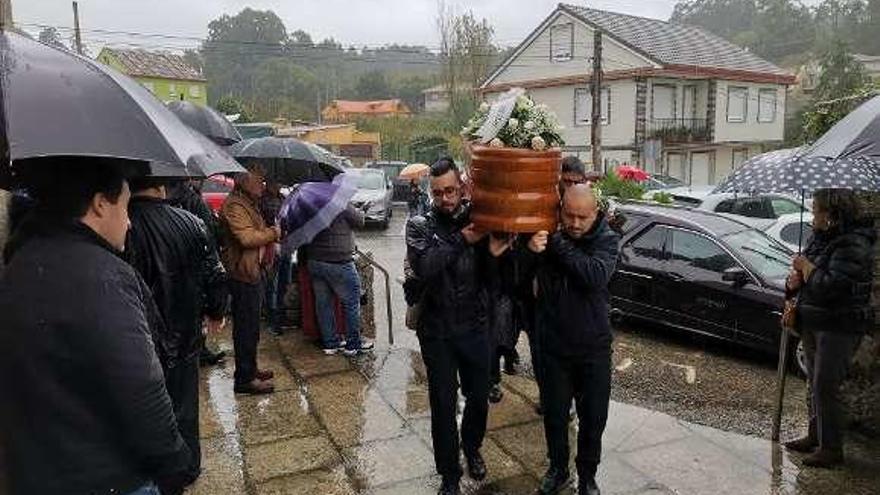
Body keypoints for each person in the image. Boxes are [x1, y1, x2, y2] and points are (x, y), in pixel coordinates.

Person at [0, 160, 191, 495]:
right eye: (126, 206)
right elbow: (140, 386)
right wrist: (174, 461)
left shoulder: (19, 265)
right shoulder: (102, 276)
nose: (130, 222)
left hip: (34, 471)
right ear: (100, 203)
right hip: (109, 476)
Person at [406, 157, 512, 495]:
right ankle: (449, 475)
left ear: (462, 187)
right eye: (438, 193)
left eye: (451, 190)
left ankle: (472, 447)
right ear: (430, 192)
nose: (446, 199)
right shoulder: (419, 225)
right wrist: (463, 239)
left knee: (479, 398)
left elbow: (497, 283)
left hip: (475, 327)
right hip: (437, 331)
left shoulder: (478, 220)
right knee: (442, 403)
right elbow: (426, 266)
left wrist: (496, 254)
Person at [125, 177, 229, 485]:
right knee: (184, 403)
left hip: (139, 335)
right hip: (184, 331)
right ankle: (188, 466)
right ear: (162, 188)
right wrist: (216, 310)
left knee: (148, 407)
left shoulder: (124, 226)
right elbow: (215, 272)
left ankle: (157, 473)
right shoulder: (191, 223)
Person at [523, 184, 620, 495]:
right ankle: (558, 468)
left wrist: (556, 242)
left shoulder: (607, 239)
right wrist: (530, 251)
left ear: (596, 213)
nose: (575, 223)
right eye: (569, 216)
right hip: (553, 345)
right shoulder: (547, 235)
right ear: (560, 210)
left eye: (582, 217)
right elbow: (518, 281)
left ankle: (588, 474)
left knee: (593, 420)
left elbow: (593, 275)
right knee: (554, 415)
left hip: (594, 348)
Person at [783, 188, 875, 468]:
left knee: (826, 384)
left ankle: (832, 448)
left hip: (839, 325)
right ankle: (815, 435)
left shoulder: (854, 244)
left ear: (832, 214)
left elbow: (833, 286)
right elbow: (808, 278)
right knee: (814, 381)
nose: (812, 215)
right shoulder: (821, 239)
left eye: (817, 210)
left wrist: (807, 268)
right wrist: (795, 280)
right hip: (815, 320)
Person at [219, 170, 280, 395]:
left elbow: (257, 230)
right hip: (243, 274)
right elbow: (247, 238)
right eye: (259, 180)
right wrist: (273, 233)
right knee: (245, 328)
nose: (263, 185)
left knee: (252, 328)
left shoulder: (248, 203)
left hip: (254, 271)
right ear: (244, 181)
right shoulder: (235, 206)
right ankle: (244, 379)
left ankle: (250, 369)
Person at [166, 179, 227, 366]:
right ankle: (199, 351)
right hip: (193, 267)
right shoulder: (190, 201)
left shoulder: (185, 199)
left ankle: (201, 350)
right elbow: (211, 263)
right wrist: (217, 310)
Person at [303, 201, 374, 356]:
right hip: (338, 261)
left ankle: (331, 343)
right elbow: (359, 221)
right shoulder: (339, 201)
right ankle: (353, 345)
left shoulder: (310, 202)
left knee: (323, 304)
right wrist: (361, 210)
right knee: (352, 302)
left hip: (315, 259)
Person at [260, 180, 288, 335]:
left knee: (284, 282)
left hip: (284, 245)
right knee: (272, 285)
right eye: (274, 182)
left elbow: (288, 220)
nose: (277, 185)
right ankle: (272, 320)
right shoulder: (262, 200)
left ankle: (280, 315)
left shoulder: (283, 199)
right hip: (271, 245)